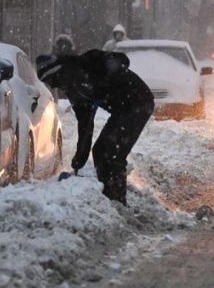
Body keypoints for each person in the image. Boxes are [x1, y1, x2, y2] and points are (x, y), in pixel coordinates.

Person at [36, 49, 154, 203]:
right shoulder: (75, 93)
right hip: (122, 110)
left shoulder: (87, 61)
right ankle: (110, 197)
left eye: (52, 81)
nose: (53, 86)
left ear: (58, 71)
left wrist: (107, 76)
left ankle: (117, 200)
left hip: (138, 101)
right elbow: (85, 126)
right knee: (100, 151)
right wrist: (79, 158)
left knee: (113, 153)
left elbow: (121, 59)